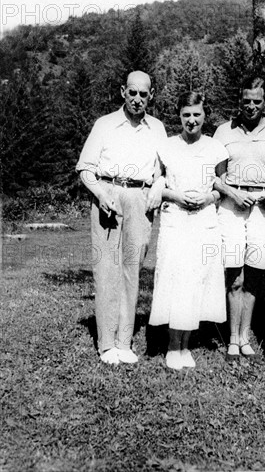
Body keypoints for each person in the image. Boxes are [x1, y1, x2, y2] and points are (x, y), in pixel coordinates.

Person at [76, 71, 166, 365]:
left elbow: (162, 170)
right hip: (108, 195)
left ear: (150, 96)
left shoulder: (158, 129)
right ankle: (106, 344)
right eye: (132, 92)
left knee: (132, 267)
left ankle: (124, 341)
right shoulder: (104, 125)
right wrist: (100, 194)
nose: (137, 99)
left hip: (139, 199)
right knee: (106, 268)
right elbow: (85, 168)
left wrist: (158, 188)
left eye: (143, 94)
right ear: (122, 92)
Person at [149, 91, 228, 370]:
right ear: (179, 116)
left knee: (196, 280)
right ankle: (173, 345)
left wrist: (209, 198)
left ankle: (187, 344)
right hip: (176, 220)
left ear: (205, 115)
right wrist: (176, 196)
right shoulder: (167, 147)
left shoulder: (216, 148)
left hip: (204, 221)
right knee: (175, 279)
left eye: (196, 114)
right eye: (186, 115)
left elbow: (222, 186)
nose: (191, 120)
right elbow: (157, 184)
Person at [213, 75, 265, 361]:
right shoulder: (223, 132)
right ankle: (231, 338)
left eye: (257, 101)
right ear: (239, 100)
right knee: (234, 275)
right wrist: (231, 191)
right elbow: (214, 176)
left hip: (263, 209)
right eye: (246, 101)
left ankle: (245, 337)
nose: (251, 106)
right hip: (231, 208)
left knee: (254, 275)